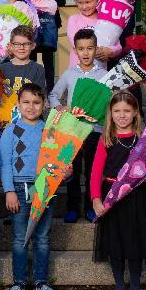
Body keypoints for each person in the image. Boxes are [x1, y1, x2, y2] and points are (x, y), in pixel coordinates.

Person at [92, 90, 146, 290]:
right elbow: (96, 172)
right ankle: (119, 287)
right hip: (111, 197)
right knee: (115, 242)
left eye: (127, 110)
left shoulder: (144, 140)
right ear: (111, 113)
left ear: (136, 113)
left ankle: (135, 287)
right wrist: (96, 198)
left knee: (135, 241)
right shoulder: (106, 138)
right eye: (117, 111)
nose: (122, 115)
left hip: (135, 196)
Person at [0, 83, 68, 290]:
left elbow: (62, 159)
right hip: (20, 188)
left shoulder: (50, 130)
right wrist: (9, 190)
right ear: (18, 104)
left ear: (44, 104)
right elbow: (5, 164)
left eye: (36, 102)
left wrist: (66, 171)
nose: (31, 107)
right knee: (21, 237)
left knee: (42, 238)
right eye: (26, 102)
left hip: (45, 187)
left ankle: (41, 280)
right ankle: (18, 282)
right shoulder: (11, 131)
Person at [48, 29, 108, 223]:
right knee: (72, 170)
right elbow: (53, 95)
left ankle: (91, 207)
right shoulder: (68, 74)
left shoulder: (104, 75)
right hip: (72, 130)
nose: (86, 53)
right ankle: (72, 207)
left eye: (90, 48)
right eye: (81, 49)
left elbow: (110, 101)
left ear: (96, 49)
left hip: (95, 130)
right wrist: (61, 108)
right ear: (75, 50)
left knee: (93, 170)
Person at [14, 0, 66, 92]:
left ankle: (50, 91)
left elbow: (61, 1)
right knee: (32, 58)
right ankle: (32, 90)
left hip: (49, 25)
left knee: (48, 59)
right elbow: (20, 2)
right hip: (32, 28)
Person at [66, 0, 120, 70]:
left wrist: (110, 51)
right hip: (77, 72)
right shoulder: (73, 20)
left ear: (98, 0)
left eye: (88, 2)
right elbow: (74, 42)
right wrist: (95, 50)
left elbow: (118, 46)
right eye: (80, 3)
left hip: (99, 73)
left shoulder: (105, 21)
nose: (84, 7)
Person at [0, 24, 47, 101]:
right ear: (10, 46)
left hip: (29, 111)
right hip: (5, 112)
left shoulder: (38, 69)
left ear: (33, 45)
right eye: (17, 44)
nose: (21, 48)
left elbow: (39, 98)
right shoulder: (1, 69)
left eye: (26, 44)